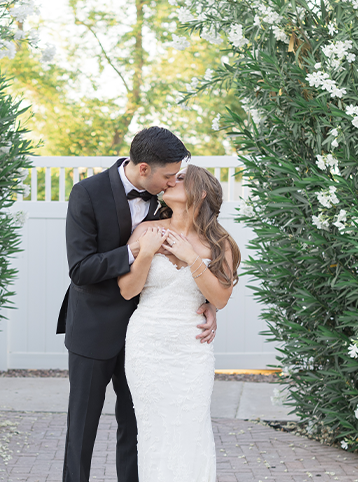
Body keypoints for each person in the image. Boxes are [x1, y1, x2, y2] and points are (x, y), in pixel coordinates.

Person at [57, 126, 219, 482]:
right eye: (168, 176)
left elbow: (190, 255)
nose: (172, 182)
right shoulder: (87, 193)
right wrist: (132, 252)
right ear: (143, 168)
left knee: (137, 428)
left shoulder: (163, 199)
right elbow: (80, 269)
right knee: (81, 429)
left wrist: (207, 302)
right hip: (93, 330)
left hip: (146, 336)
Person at [118, 164, 241, 482]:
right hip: (147, 345)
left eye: (181, 178)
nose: (171, 181)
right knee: (153, 433)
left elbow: (221, 298)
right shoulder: (147, 230)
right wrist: (145, 255)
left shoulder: (220, 244)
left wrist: (191, 257)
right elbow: (127, 290)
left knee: (191, 428)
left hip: (191, 348)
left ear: (200, 193)